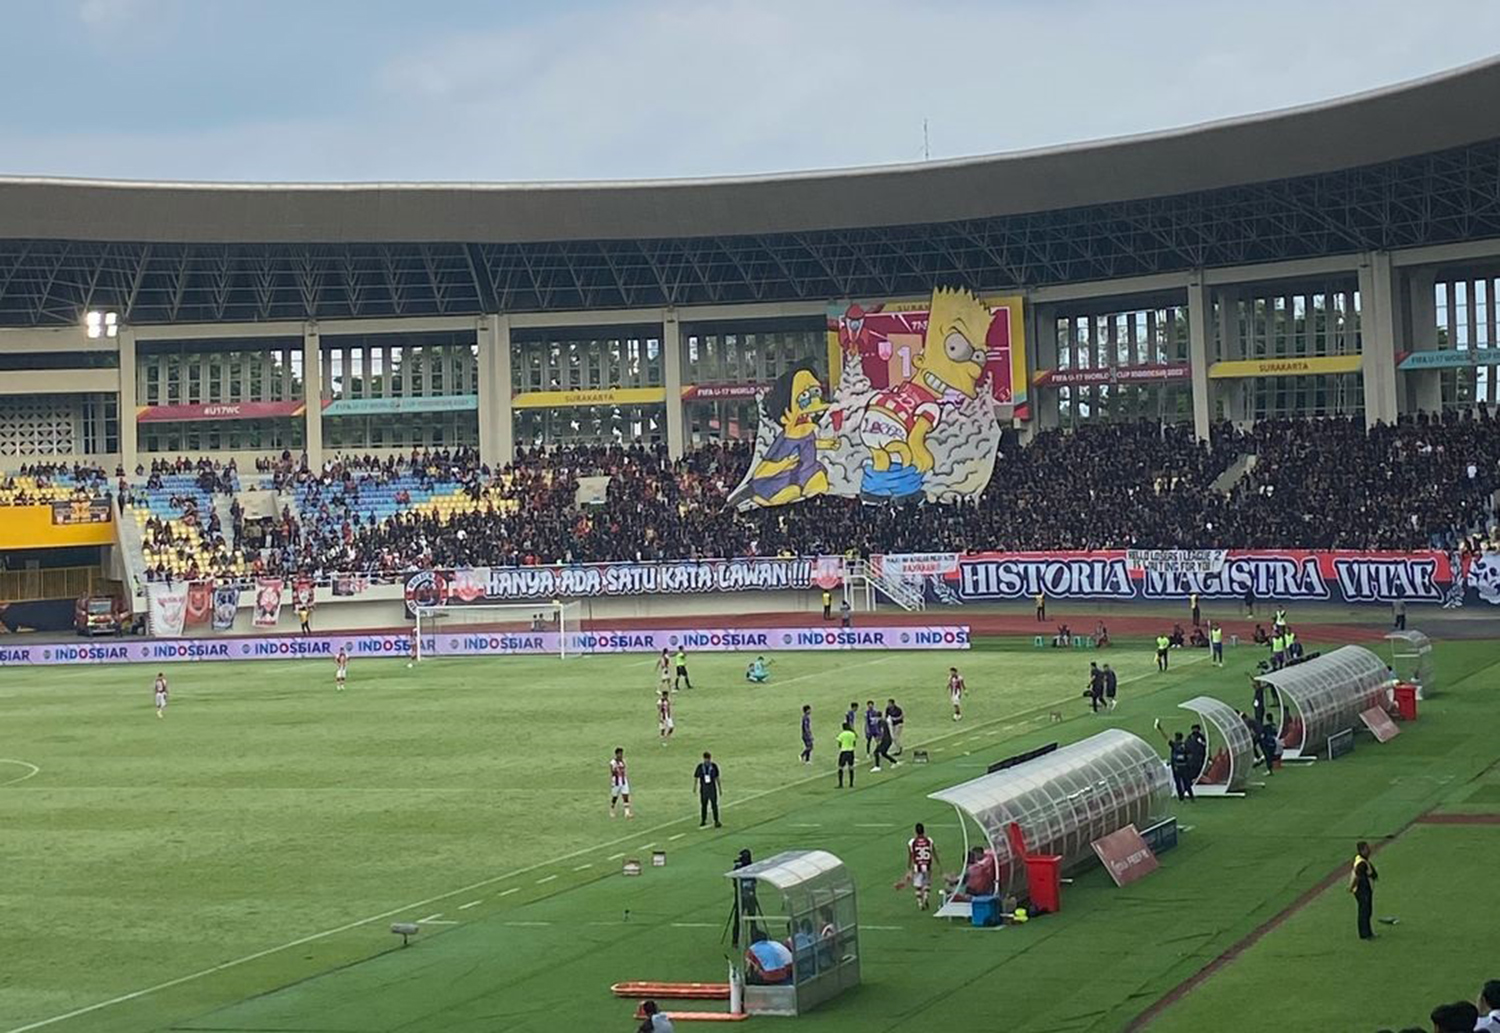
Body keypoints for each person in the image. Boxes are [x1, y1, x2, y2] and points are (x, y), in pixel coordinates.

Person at [1155, 720, 1195, 801]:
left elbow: (1166, 737)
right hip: (1184, 766)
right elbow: (1190, 755)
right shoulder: (1184, 745)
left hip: (1176, 767)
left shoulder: (1174, 744)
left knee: (1178, 782)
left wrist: (1160, 729)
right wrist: (1186, 761)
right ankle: (1191, 797)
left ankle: (1181, 798)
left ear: (1176, 738)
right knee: (1186, 781)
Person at [906, 822, 940, 911]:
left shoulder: (911, 842)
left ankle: (920, 903)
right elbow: (934, 852)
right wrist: (938, 863)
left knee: (918, 885)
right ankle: (925, 897)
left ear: (915, 832)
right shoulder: (929, 840)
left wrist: (909, 868)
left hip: (917, 866)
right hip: (927, 865)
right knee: (927, 883)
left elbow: (911, 856)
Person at [1350, 840, 1377, 940]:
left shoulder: (1360, 859)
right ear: (1362, 850)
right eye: (1367, 848)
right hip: (1362, 890)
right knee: (1364, 912)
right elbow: (1357, 876)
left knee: (1367, 911)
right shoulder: (1361, 863)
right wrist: (1352, 887)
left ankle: (1368, 932)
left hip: (1363, 889)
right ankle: (1365, 934)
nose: (1369, 850)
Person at [693, 751, 722, 827]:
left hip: (712, 788)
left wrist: (719, 788)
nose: (707, 760)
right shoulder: (700, 767)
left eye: (708, 759)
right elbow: (696, 777)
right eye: (706, 759)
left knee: (714, 805)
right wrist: (695, 787)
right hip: (704, 788)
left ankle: (716, 820)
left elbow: (717, 778)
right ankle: (703, 820)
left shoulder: (713, 766)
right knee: (704, 805)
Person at [609, 747, 633, 819]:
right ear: (616, 754)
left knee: (625, 796)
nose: (621, 755)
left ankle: (627, 813)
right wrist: (616, 770)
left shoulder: (623, 761)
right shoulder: (612, 762)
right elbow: (612, 772)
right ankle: (612, 810)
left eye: (622, 754)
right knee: (615, 797)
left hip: (623, 781)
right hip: (616, 782)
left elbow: (624, 769)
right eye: (619, 754)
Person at [835, 722, 858, 788]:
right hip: (851, 752)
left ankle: (840, 784)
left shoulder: (842, 734)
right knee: (851, 767)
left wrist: (842, 747)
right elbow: (854, 743)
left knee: (840, 767)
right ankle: (851, 784)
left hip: (844, 751)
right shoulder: (852, 734)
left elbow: (839, 743)